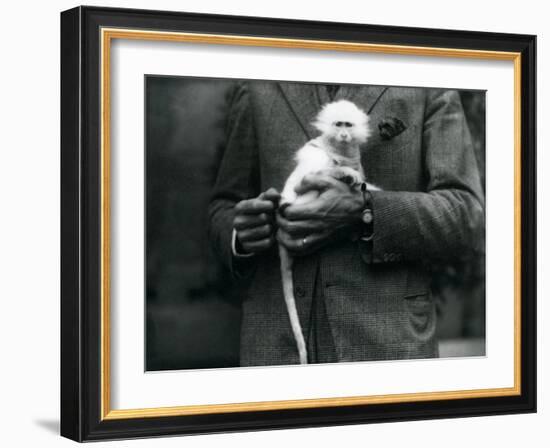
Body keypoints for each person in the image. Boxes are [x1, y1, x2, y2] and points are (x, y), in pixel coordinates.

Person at [208, 81, 484, 366]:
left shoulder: (425, 79)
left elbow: (466, 214)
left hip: (385, 348)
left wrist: (364, 210)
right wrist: (241, 235)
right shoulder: (258, 82)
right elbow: (223, 206)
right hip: (275, 346)